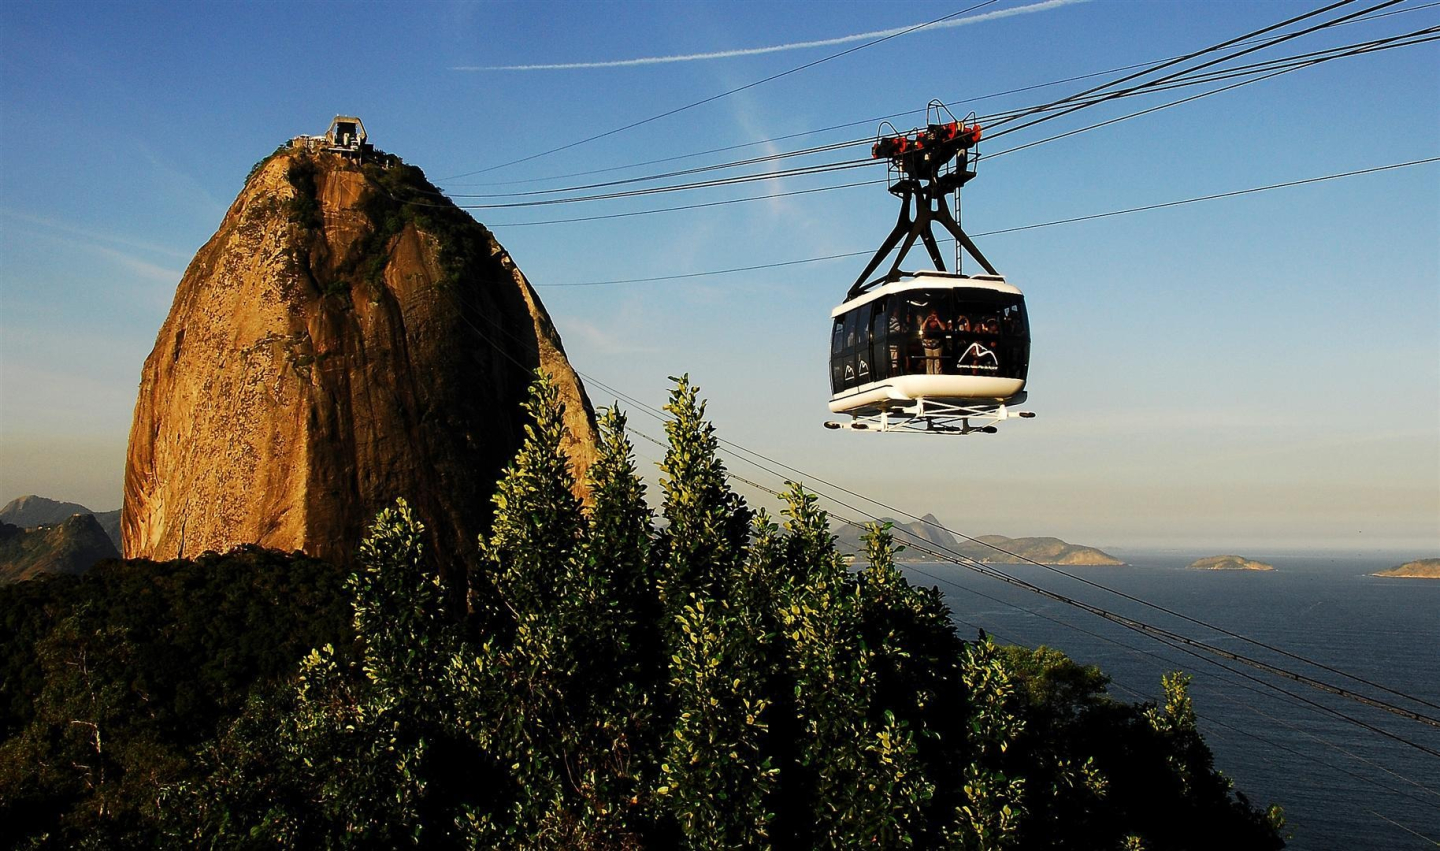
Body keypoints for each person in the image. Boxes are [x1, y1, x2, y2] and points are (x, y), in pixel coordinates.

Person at [919, 308, 948, 375]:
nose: (933, 315)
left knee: (937, 361)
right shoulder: (927, 322)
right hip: (928, 345)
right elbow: (922, 328)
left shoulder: (940, 321)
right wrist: (927, 320)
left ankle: (938, 376)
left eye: (935, 314)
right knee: (929, 361)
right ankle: (929, 375)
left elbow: (943, 328)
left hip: (937, 345)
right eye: (932, 314)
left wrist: (937, 320)